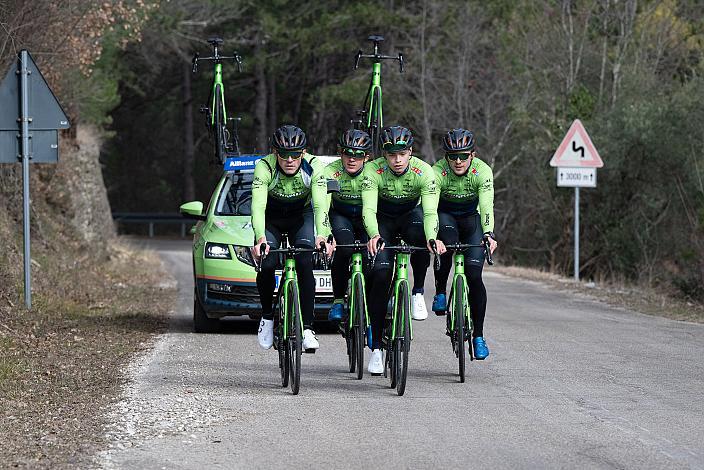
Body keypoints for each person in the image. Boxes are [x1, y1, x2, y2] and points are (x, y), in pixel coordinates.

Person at [362, 125, 446, 374]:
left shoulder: (424, 171)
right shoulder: (372, 170)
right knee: (379, 276)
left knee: (422, 235)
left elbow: (431, 211)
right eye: (391, 155)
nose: (397, 160)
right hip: (384, 220)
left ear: (410, 152)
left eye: (402, 154)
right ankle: (376, 348)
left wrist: (432, 238)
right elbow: (368, 209)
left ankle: (417, 291)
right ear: (384, 155)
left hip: (411, 216)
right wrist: (374, 235)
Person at [251, 125, 333, 351]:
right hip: (272, 217)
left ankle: (307, 328)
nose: (289, 160)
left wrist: (322, 235)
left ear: (303, 152)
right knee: (267, 263)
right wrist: (260, 239)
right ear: (275, 152)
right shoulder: (264, 166)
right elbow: (257, 206)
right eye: (284, 154)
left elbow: (319, 205)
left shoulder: (314, 166)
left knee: (305, 261)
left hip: (301, 217)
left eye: (295, 154)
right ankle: (267, 317)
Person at [431, 128, 497, 360]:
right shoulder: (436, 171)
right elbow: (430, 207)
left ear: (473, 155)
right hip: (446, 217)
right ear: (445, 157)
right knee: (447, 244)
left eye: (463, 155)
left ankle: (478, 336)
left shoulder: (482, 171)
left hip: (472, 220)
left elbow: (487, 206)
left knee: (474, 276)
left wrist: (488, 234)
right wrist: (432, 236)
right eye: (452, 156)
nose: (458, 161)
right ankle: (440, 291)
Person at [323, 129, 372, 322]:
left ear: (366, 157)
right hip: (341, 215)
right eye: (347, 153)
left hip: (366, 216)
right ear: (340, 153)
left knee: (372, 256)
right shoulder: (330, 172)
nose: (352, 159)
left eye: (358, 155)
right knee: (345, 249)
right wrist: (326, 233)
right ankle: (337, 301)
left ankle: (369, 303)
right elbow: (323, 206)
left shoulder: (373, 171)